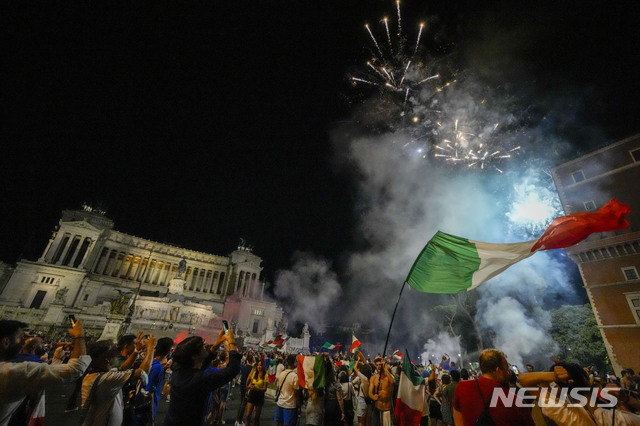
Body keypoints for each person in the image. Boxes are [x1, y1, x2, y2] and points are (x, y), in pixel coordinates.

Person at [0, 319, 90, 426]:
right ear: (6, 342)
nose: (24, 343)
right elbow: (76, 368)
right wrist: (79, 336)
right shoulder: (14, 371)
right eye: (21, 338)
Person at [164, 328, 240, 426]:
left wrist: (216, 344)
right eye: (202, 346)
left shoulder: (179, 370)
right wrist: (232, 343)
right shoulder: (201, 379)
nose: (205, 346)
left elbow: (202, 363)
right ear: (194, 356)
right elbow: (232, 370)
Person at [80, 335, 157, 426]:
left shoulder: (97, 374)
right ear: (107, 359)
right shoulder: (106, 379)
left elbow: (122, 368)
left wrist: (136, 351)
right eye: (114, 354)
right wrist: (151, 348)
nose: (117, 355)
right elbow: (143, 372)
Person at [452, 348, 534, 426]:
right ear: (498, 371)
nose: (508, 372)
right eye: (506, 369)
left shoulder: (462, 388)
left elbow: (458, 418)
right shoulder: (516, 401)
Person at [142, 336, 173, 422]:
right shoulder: (158, 368)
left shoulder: (152, 363)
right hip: (147, 411)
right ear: (169, 350)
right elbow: (147, 392)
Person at [274, 354, 300, 426]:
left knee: (279, 423)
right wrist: (299, 405)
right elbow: (296, 393)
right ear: (294, 362)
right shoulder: (294, 376)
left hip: (280, 402)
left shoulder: (282, 374)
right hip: (290, 406)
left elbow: (279, 387)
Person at [369, 356, 394, 426]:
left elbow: (392, 382)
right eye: (377, 365)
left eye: (380, 365)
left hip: (387, 409)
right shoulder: (373, 378)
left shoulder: (389, 377)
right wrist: (373, 397)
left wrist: (385, 368)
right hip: (377, 408)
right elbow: (370, 392)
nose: (378, 367)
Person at [244, 357, 267, 426]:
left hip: (259, 396)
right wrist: (249, 387)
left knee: (256, 417)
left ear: (263, 366)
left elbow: (265, 389)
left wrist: (257, 388)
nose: (259, 367)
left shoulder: (265, 376)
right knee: (247, 415)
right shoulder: (254, 373)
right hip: (252, 394)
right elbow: (249, 384)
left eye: (260, 365)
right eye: (258, 365)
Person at [324, 358, 346, 425]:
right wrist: (342, 412)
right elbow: (339, 399)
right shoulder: (336, 384)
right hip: (334, 406)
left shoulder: (324, 383)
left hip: (326, 404)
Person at [353, 351, 372, 426]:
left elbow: (355, 368)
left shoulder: (363, 378)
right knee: (368, 421)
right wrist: (362, 356)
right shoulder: (371, 378)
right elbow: (368, 367)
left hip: (362, 400)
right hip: (369, 401)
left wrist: (358, 360)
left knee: (360, 421)